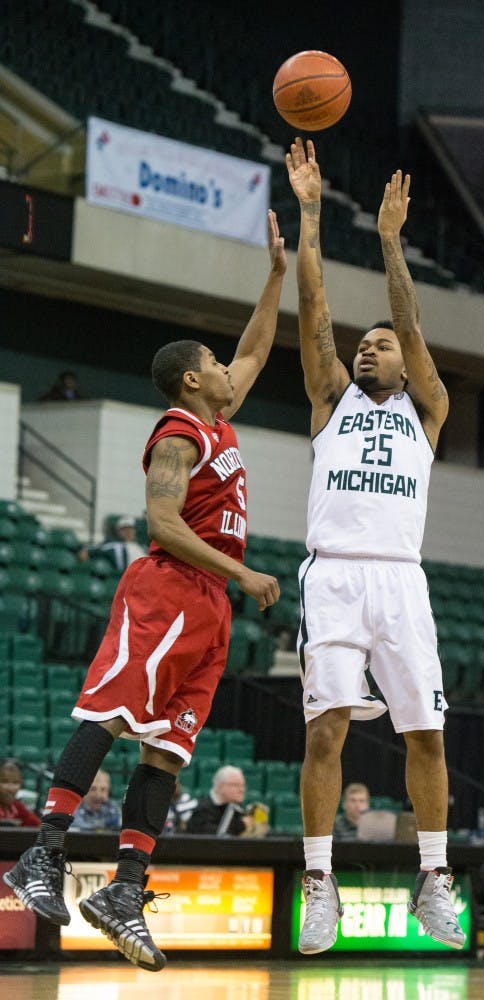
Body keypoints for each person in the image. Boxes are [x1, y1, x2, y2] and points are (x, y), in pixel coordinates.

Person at [3, 209, 286, 973]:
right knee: (113, 714)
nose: (233, 370)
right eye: (216, 365)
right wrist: (242, 571)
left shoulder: (219, 419)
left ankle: (125, 891)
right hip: (168, 588)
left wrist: (277, 275)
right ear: (194, 377)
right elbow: (161, 523)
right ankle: (40, 857)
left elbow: (257, 347)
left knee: (167, 752)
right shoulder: (177, 434)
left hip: (210, 608)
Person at [286, 138, 462, 955]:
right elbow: (315, 312)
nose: (369, 346)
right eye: (367, 343)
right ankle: (317, 885)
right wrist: (313, 215)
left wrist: (391, 243)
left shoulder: (426, 406)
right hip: (334, 579)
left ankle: (434, 879)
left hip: (401, 582)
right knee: (325, 730)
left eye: (383, 343)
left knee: (424, 733)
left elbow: (414, 324)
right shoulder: (332, 399)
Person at [185, 765, 269, 837]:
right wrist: (241, 825)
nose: (242, 790)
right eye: (236, 785)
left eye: (243, 786)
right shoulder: (202, 809)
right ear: (221, 787)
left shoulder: (236, 809)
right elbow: (213, 838)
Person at [0, 758, 41, 828]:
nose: (10, 788)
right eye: (4, 782)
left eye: (15, 782)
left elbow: (39, 826)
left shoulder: (18, 807)